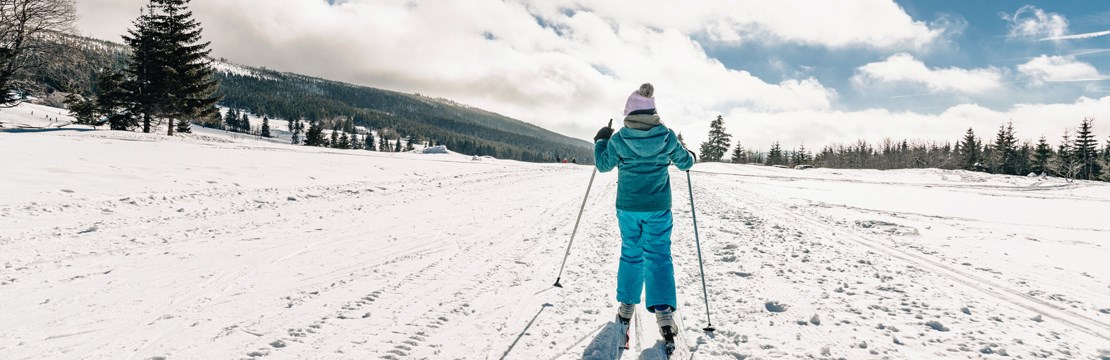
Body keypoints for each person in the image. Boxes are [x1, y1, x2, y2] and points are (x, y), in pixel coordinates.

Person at [593, 83, 695, 338]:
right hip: (658, 208)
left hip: (628, 207)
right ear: (653, 112)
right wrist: (689, 154)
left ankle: (627, 307)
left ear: (629, 114)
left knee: (631, 253)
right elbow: (685, 163)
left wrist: (601, 140)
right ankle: (664, 314)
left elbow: (604, 166)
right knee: (659, 255)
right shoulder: (666, 136)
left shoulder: (619, 139)